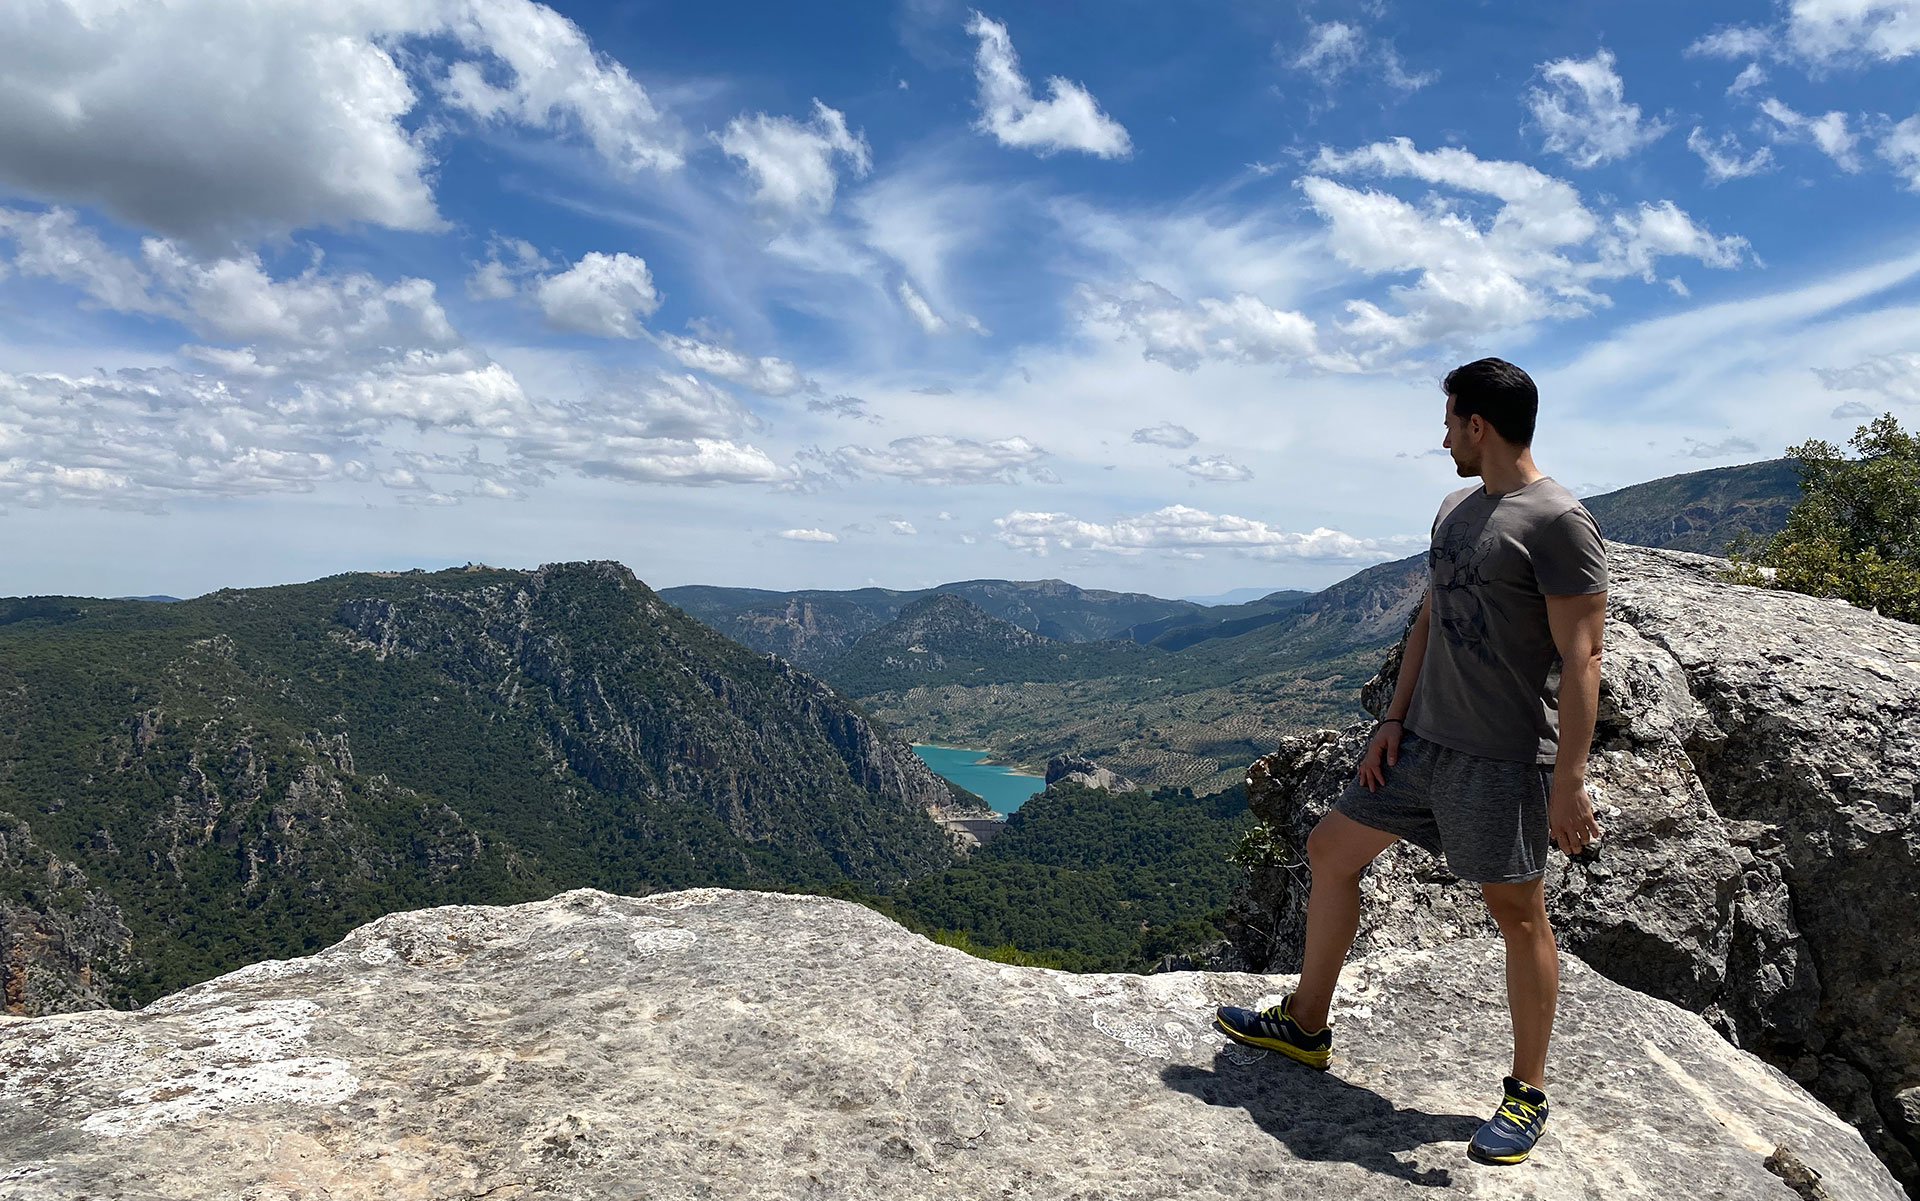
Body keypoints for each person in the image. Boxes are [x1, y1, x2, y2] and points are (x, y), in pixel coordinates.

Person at [1213, 357, 1608, 1167]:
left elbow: (1584, 656)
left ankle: (1526, 1093)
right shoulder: (1456, 508)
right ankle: (1306, 1025)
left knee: (1517, 912)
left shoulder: (1559, 520)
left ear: (1479, 426)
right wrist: (1392, 717)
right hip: (1422, 742)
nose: (1441, 438)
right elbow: (1430, 619)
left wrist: (1567, 779)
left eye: (1450, 421)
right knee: (1331, 849)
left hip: (1499, 758)